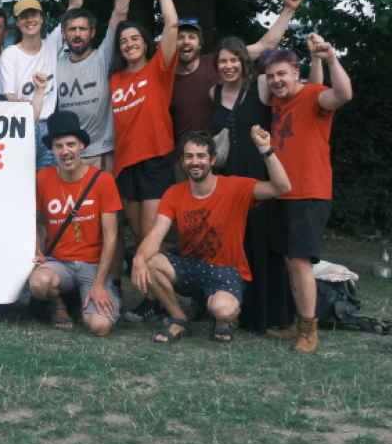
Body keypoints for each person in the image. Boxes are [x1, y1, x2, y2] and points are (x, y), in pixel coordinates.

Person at [131, 129, 292, 344]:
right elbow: (156, 234)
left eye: (201, 156)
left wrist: (265, 149)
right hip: (191, 266)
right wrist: (138, 259)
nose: (194, 162)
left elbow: (282, 187)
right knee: (151, 261)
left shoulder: (235, 186)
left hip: (226, 271)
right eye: (189, 157)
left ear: (212, 160)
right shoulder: (174, 193)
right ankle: (178, 318)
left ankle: (223, 321)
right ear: (182, 161)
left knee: (223, 311)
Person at [208, 36, 324, 333]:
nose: (228, 65)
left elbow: (307, 91)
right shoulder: (214, 92)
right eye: (222, 60)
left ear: (243, 61)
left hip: (261, 171)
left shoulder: (261, 84)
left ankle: (273, 314)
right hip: (231, 175)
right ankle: (239, 311)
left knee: (263, 242)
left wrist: (319, 59)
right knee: (237, 242)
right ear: (216, 65)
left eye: (234, 59)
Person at [261, 38, 352, 352]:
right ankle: (298, 323)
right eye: (271, 76)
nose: (276, 81)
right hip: (282, 193)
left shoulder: (314, 96)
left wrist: (330, 58)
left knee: (300, 263)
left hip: (308, 193)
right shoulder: (278, 100)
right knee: (290, 262)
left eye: (282, 74)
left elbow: (343, 94)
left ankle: (309, 331)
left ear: (295, 73)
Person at [54, 0, 131, 290]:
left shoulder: (101, 58)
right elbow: (73, 3)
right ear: (65, 34)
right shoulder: (53, 59)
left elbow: (120, 10)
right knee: (72, 220)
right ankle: (73, 276)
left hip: (100, 151)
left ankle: (112, 281)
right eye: (72, 29)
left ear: (93, 33)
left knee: (107, 221)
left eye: (83, 29)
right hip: (66, 154)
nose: (77, 34)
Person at [170, 0, 302, 182]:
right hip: (185, 160)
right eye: (180, 37)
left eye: (191, 37)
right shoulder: (165, 76)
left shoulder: (218, 62)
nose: (185, 41)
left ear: (200, 43)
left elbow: (266, 45)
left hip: (220, 161)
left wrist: (288, 10)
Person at [108, 0, 178, 323]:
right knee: (137, 235)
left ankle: (168, 304)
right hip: (125, 164)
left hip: (155, 160)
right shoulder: (115, 78)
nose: (129, 43)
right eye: (124, 41)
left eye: (135, 38)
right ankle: (151, 299)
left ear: (146, 43)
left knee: (154, 238)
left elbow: (172, 25)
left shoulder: (158, 69)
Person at [29, 111, 122, 336]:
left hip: (92, 265)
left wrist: (99, 282)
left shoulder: (103, 180)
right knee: (38, 283)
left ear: (81, 145)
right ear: (52, 150)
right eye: (58, 146)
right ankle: (59, 304)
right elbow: (34, 221)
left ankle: (105, 293)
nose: (65, 151)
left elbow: (111, 236)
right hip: (58, 262)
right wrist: (38, 250)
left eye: (71, 144)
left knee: (100, 327)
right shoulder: (42, 178)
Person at [0, 0, 84, 112]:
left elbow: (75, 5)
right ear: (16, 22)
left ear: (41, 18)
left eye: (34, 14)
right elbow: (7, 95)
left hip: (50, 125)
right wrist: (17, 103)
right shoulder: (9, 55)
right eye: (24, 16)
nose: (30, 20)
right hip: (23, 124)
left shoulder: (52, 44)